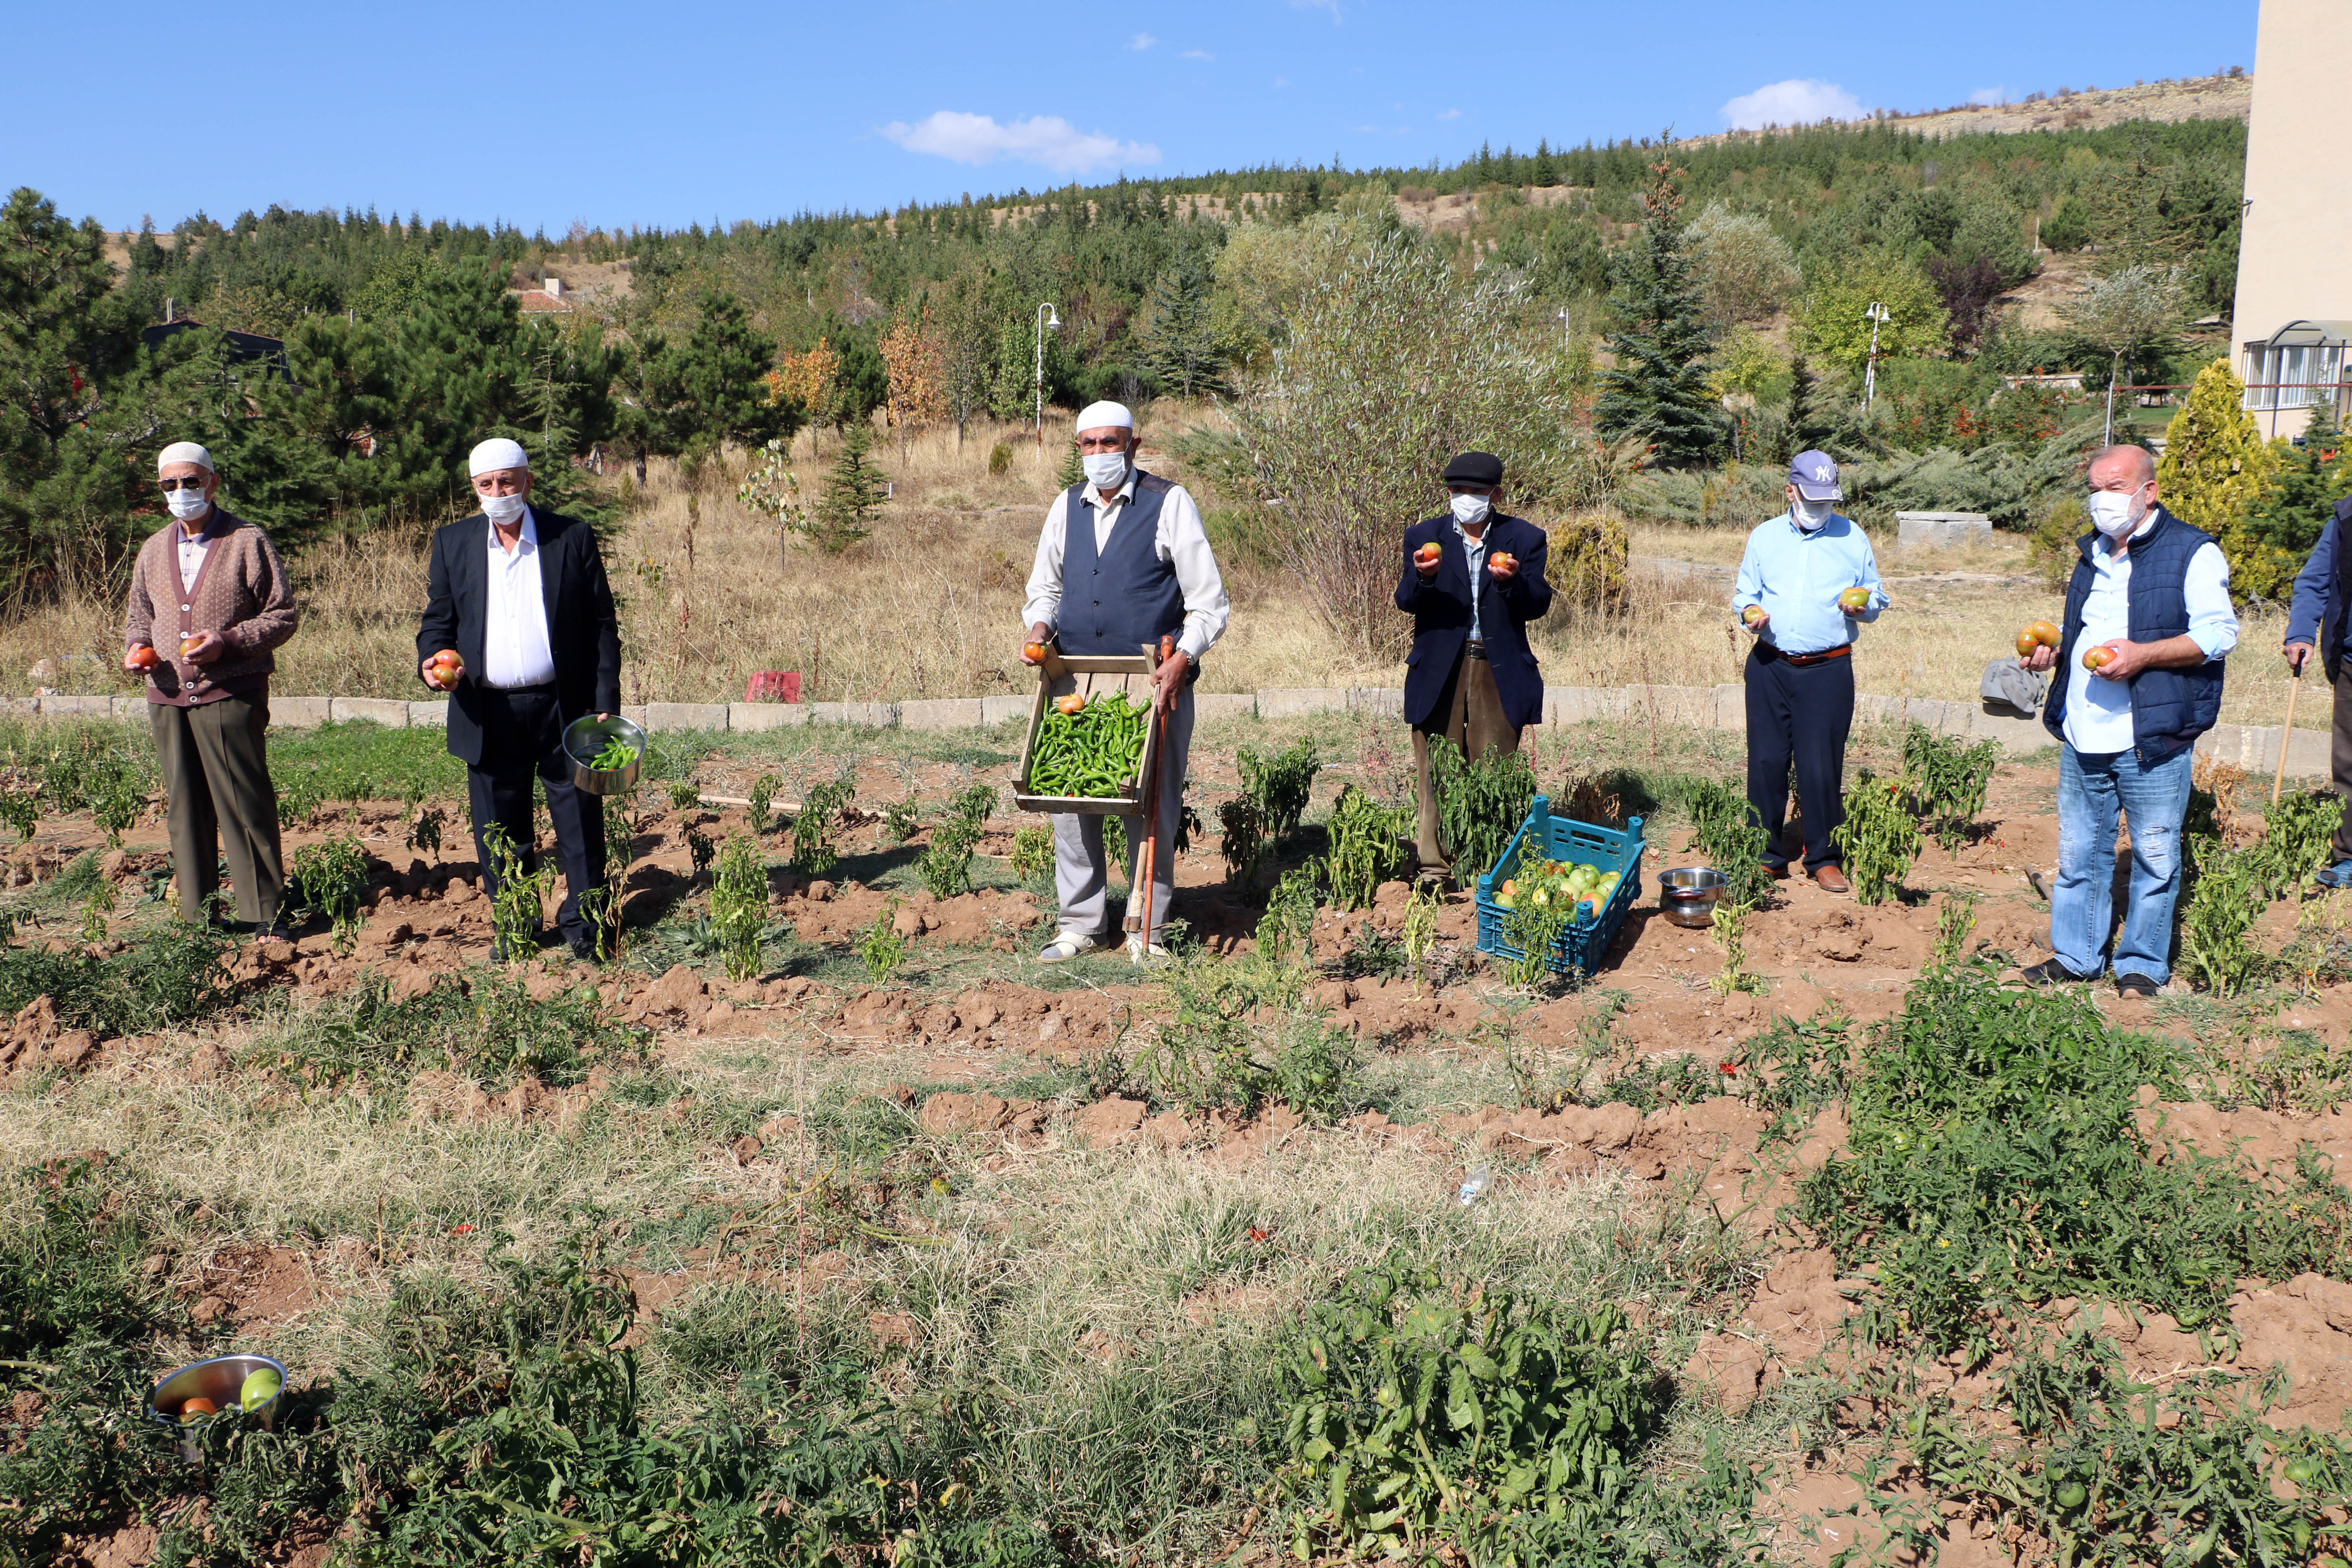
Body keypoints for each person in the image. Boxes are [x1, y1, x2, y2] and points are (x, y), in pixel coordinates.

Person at [2020, 443, 2236, 998]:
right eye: (2095, 489)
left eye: (2115, 488)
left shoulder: (2193, 551)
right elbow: (2091, 635)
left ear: (2149, 492)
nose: (2103, 500)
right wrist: (2057, 654)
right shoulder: (2090, 553)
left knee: (2156, 855)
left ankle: (2140, 965)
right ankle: (2076, 956)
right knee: (2078, 854)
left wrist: (2143, 655)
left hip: (2153, 735)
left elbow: (2218, 636)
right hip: (2083, 730)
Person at [1021, 401, 1230, 961]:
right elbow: (1044, 588)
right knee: (1071, 797)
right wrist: (1040, 628)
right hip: (1075, 679)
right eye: (1088, 445)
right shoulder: (1065, 508)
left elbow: (1209, 604)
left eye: (1109, 444)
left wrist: (1181, 661)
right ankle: (1082, 924)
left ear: (1134, 446)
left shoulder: (1168, 503)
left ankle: (1147, 928)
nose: (1098, 455)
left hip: (1149, 681)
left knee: (1151, 802)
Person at [416, 438, 621, 962]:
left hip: (564, 705)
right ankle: (517, 925)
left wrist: (605, 698)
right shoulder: (454, 543)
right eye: (487, 485)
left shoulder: (568, 536)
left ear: (527, 481)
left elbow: (601, 623)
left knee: (578, 818)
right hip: (488, 710)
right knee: (500, 829)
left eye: (507, 482)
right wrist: (431, 660)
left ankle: (585, 924)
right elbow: (439, 622)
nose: (498, 492)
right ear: (475, 489)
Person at [122, 441, 299, 934]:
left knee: (243, 799)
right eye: (170, 484)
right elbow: (140, 613)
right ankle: (198, 917)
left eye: (191, 481)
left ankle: (264, 913)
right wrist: (139, 645)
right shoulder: (153, 548)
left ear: (212, 482)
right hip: (167, 693)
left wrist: (228, 641)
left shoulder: (247, 540)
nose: (181, 491)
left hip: (230, 689)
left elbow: (282, 614)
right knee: (184, 803)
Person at [1731, 450, 1887, 893]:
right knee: (1766, 762)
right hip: (1770, 665)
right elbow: (1746, 593)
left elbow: (1875, 596)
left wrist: (1863, 605)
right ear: (1790, 492)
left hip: (1828, 669)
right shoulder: (1764, 537)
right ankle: (1765, 853)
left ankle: (1823, 856)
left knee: (1821, 765)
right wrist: (1751, 614)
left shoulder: (1852, 536)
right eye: (1810, 499)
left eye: (1826, 501)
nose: (1819, 508)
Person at [1395, 451, 1553, 875]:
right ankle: (1434, 865)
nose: (1467, 498)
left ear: (1496, 494)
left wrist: (1513, 583)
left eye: (1477, 492)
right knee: (1436, 767)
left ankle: (1489, 863)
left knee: (1494, 768)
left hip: (1497, 666)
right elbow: (1406, 601)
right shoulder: (1423, 536)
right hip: (1440, 667)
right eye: (1458, 491)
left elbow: (1539, 603)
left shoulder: (1525, 538)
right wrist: (1424, 577)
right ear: (1448, 493)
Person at [2280, 495, 2352, 886]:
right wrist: (2302, 632)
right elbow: (2314, 582)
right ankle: (2350, 857)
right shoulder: (2345, 520)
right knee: (2349, 763)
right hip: (2351, 662)